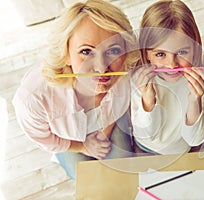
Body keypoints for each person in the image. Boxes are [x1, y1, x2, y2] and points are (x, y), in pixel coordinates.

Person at [12, 0, 139, 179]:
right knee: (86, 181)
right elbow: (43, 138)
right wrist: (82, 146)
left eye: (113, 51)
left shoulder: (127, 71)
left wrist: (106, 133)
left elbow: (117, 109)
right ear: (66, 55)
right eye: (86, 52)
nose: (102, 68)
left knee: (125, 173)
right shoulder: (33, 98)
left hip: (108, 126)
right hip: (68, 138)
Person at [131, 0, 204, 155]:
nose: (171, 64)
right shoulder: (140, 80)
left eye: (182, 52)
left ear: (194, 48)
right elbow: (146, 134)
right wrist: (148, 100)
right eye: (160, 54)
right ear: (147, 54)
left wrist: (194, 100)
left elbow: (195, 140)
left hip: (183, 150)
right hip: (145, 149)